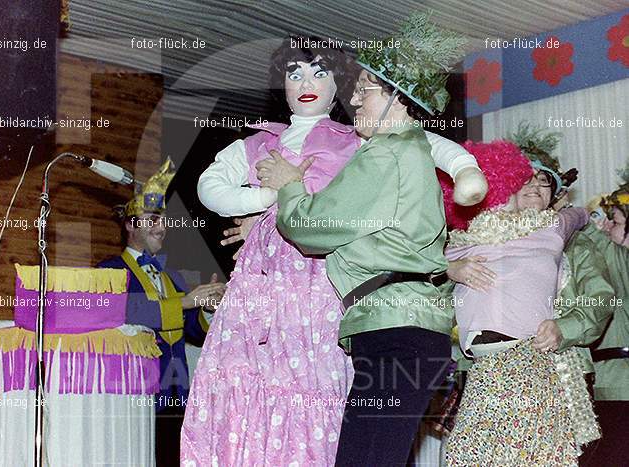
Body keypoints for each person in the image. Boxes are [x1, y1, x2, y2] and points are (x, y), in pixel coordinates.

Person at [182, 26, 486, 466]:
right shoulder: (260, 141)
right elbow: (210, 185)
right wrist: (261, 207)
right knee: (248, 392)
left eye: (319, 73)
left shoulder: (367, 146)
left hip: (331, 295)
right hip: (266, 292)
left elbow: (315, 223)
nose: (306, 84)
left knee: (324, 406)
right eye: (294, 73)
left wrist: (465, 169)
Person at [260, 14, 469, 465]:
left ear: (399, 99)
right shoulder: (409, 152)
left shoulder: (387, 154)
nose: (353, 97)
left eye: (366, 89)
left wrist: (289, 183)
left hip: (398, 332)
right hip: (402, 329)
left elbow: (309, 230)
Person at [441, 136, 607, 466]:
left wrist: (565, 328)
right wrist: (452, 270)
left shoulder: (575, 243)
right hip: (483, 367)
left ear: (555, 194)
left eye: (543, 181)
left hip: (557, 368)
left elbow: (601, 300)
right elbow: (438, 299)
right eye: (525, 179)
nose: (533, 187)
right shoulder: (471, 239)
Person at [98, 160, 226, 467]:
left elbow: (192, 331)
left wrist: (206, 310)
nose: (162, 227)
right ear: (130, 224)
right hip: (136, 396)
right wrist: (184, 302)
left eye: (164, 220)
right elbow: (123, 314)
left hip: (176, 395)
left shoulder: (173, 276)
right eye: (153, 218)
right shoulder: (109, 271)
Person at [580, 164, 629, 466]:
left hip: (618, 387)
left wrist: (580, 215)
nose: (608, 228)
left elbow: (595, 242)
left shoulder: (620, 260)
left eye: (615, 221)